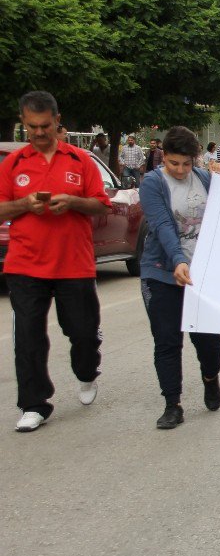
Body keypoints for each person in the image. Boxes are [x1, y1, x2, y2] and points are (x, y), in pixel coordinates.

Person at [0, 91, 112, 432]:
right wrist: (24, 206)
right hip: (25, 265)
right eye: (32, 127)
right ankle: (34, 404)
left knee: (81, 332)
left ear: (57, 120)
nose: (39, 133)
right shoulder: (13, 164)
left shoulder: (80, 160)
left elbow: (101, 204)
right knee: (29, 337)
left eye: (45, 125)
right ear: (23, 123)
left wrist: (73, 202)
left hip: (73, 264)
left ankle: (87, 372)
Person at [138, 126, 220, 430]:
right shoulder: (152, 183)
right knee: (167, 340)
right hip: (162, 272)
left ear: (195, 159)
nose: (179, 170)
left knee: (209, 342)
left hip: (202, 276)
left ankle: (210, 377)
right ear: (164, 156)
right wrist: (177, 261)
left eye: (186, 164)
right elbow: (162, 225)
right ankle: (172, 404)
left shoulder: (203, 178)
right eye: (173, 163)